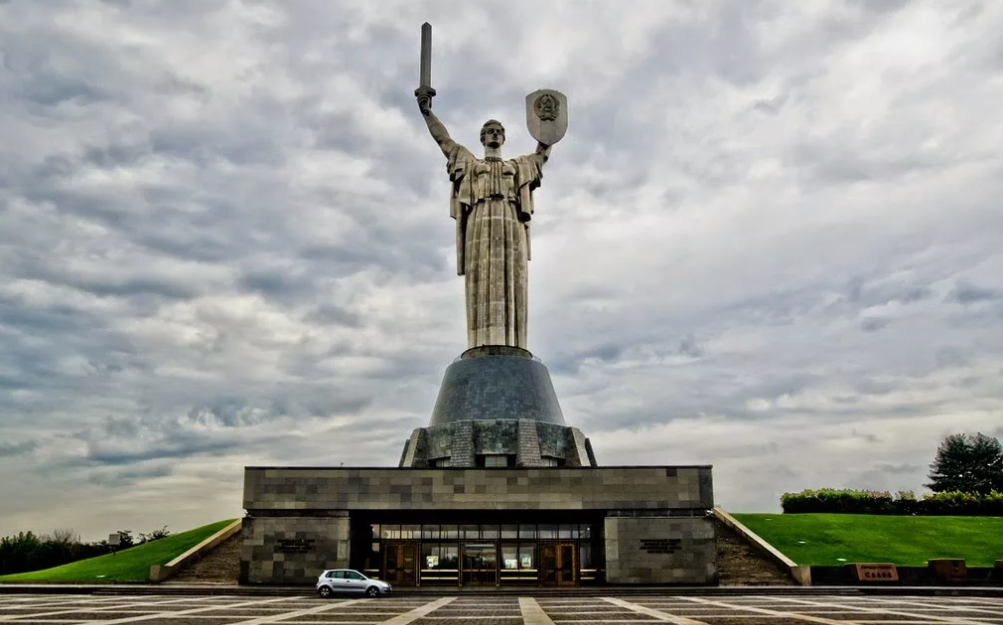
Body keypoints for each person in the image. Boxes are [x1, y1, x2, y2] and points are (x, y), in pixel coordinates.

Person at [417, 93, 552, 350]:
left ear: (503, 138)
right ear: (482, 138)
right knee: (481, 278)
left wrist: (548, 129)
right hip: (479, 221)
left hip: (511, 221)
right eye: (489, 131)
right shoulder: (469, 164)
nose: (493, 135)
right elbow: (444, 140)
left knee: (513, 276)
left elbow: (542, 153)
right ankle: (480, 343)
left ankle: (513, 344)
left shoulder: (519, 165)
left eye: (498, 131)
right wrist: (427, 113)